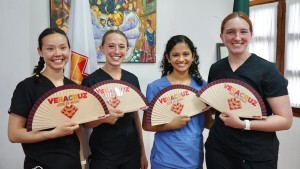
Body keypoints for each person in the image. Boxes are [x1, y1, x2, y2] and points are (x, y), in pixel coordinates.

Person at [205, 12, 293, 169]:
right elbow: (214, 105)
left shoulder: (267, 70)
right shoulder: (216, 68)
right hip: (218, 150)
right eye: (230, 32)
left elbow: (285, 120)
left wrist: (244, 124)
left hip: (256, 155)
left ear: (251, 34)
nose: (237, 37)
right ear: (222, 36)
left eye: (243, 32)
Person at [8, 27, 85, 169]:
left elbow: (77, 127)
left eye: (63, 48)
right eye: (50, 49)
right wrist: (52, 133)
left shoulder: (73, 87)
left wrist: (82, 161)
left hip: (72, 163)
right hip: (40, 164)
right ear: (40, 52)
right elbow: (14, 134)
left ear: (69, 50)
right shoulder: (27, 87)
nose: (58, 54)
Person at [142, 35, 213, 169]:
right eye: (175, 55)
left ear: (193, 56)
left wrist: (238, 122)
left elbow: (208, 122)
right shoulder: (155, 87)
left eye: (186, 54)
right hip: (164, 157)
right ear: (168, 58)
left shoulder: (203, 87)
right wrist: (171, 125)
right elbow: (146, 125)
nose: (181, 59)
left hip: (193, 156)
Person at [81, 29, 148, 169]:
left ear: (127, 50)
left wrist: (142, 152)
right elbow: (85, 123)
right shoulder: (91, 81)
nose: (116, 51)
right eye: (111, 46)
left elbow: (135, 116)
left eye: (121, 46)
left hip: (131, 153)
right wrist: (103, 118)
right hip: (103, 155)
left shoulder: (132, 79)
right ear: (102, 49)